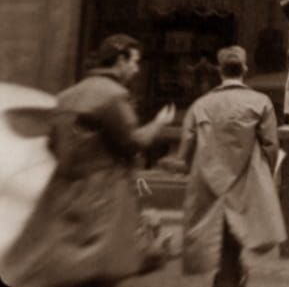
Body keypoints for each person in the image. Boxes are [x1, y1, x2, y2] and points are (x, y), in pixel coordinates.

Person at [2, 34, 176, 287]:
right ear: (120, 60)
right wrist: (159, 123)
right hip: (103, 193)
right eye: (135, 61)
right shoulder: (113, 95)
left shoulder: (67, 96)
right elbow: (132, 142)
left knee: (63, 266)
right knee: (99, 267)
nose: (137, 69)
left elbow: (53, 144)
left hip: (63, 192)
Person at [178, 46, 287, 287]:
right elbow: (270, 145)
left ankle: (228, 276)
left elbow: (186, 145)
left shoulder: (201, 104)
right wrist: (266, 175)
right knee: (237, 236)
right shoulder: (260, 102)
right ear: (245, 70)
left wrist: (193, 171)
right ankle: (231, 277)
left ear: (219, 71)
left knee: (218, 236)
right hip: (246, 182)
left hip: (210, 183)